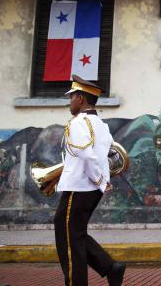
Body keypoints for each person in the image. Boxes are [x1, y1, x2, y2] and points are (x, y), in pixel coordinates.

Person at [54, 75, 126, 286]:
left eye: (72, 98)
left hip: (80, 187)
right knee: (74, 233)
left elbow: (86, 155)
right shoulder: (100, 124)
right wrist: (102, 181)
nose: (70, 102)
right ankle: (110, 267)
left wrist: (99, 179)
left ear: (80, 98)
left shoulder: (78, 123)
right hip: (90, 189)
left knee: (69, 239)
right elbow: (109, 153)